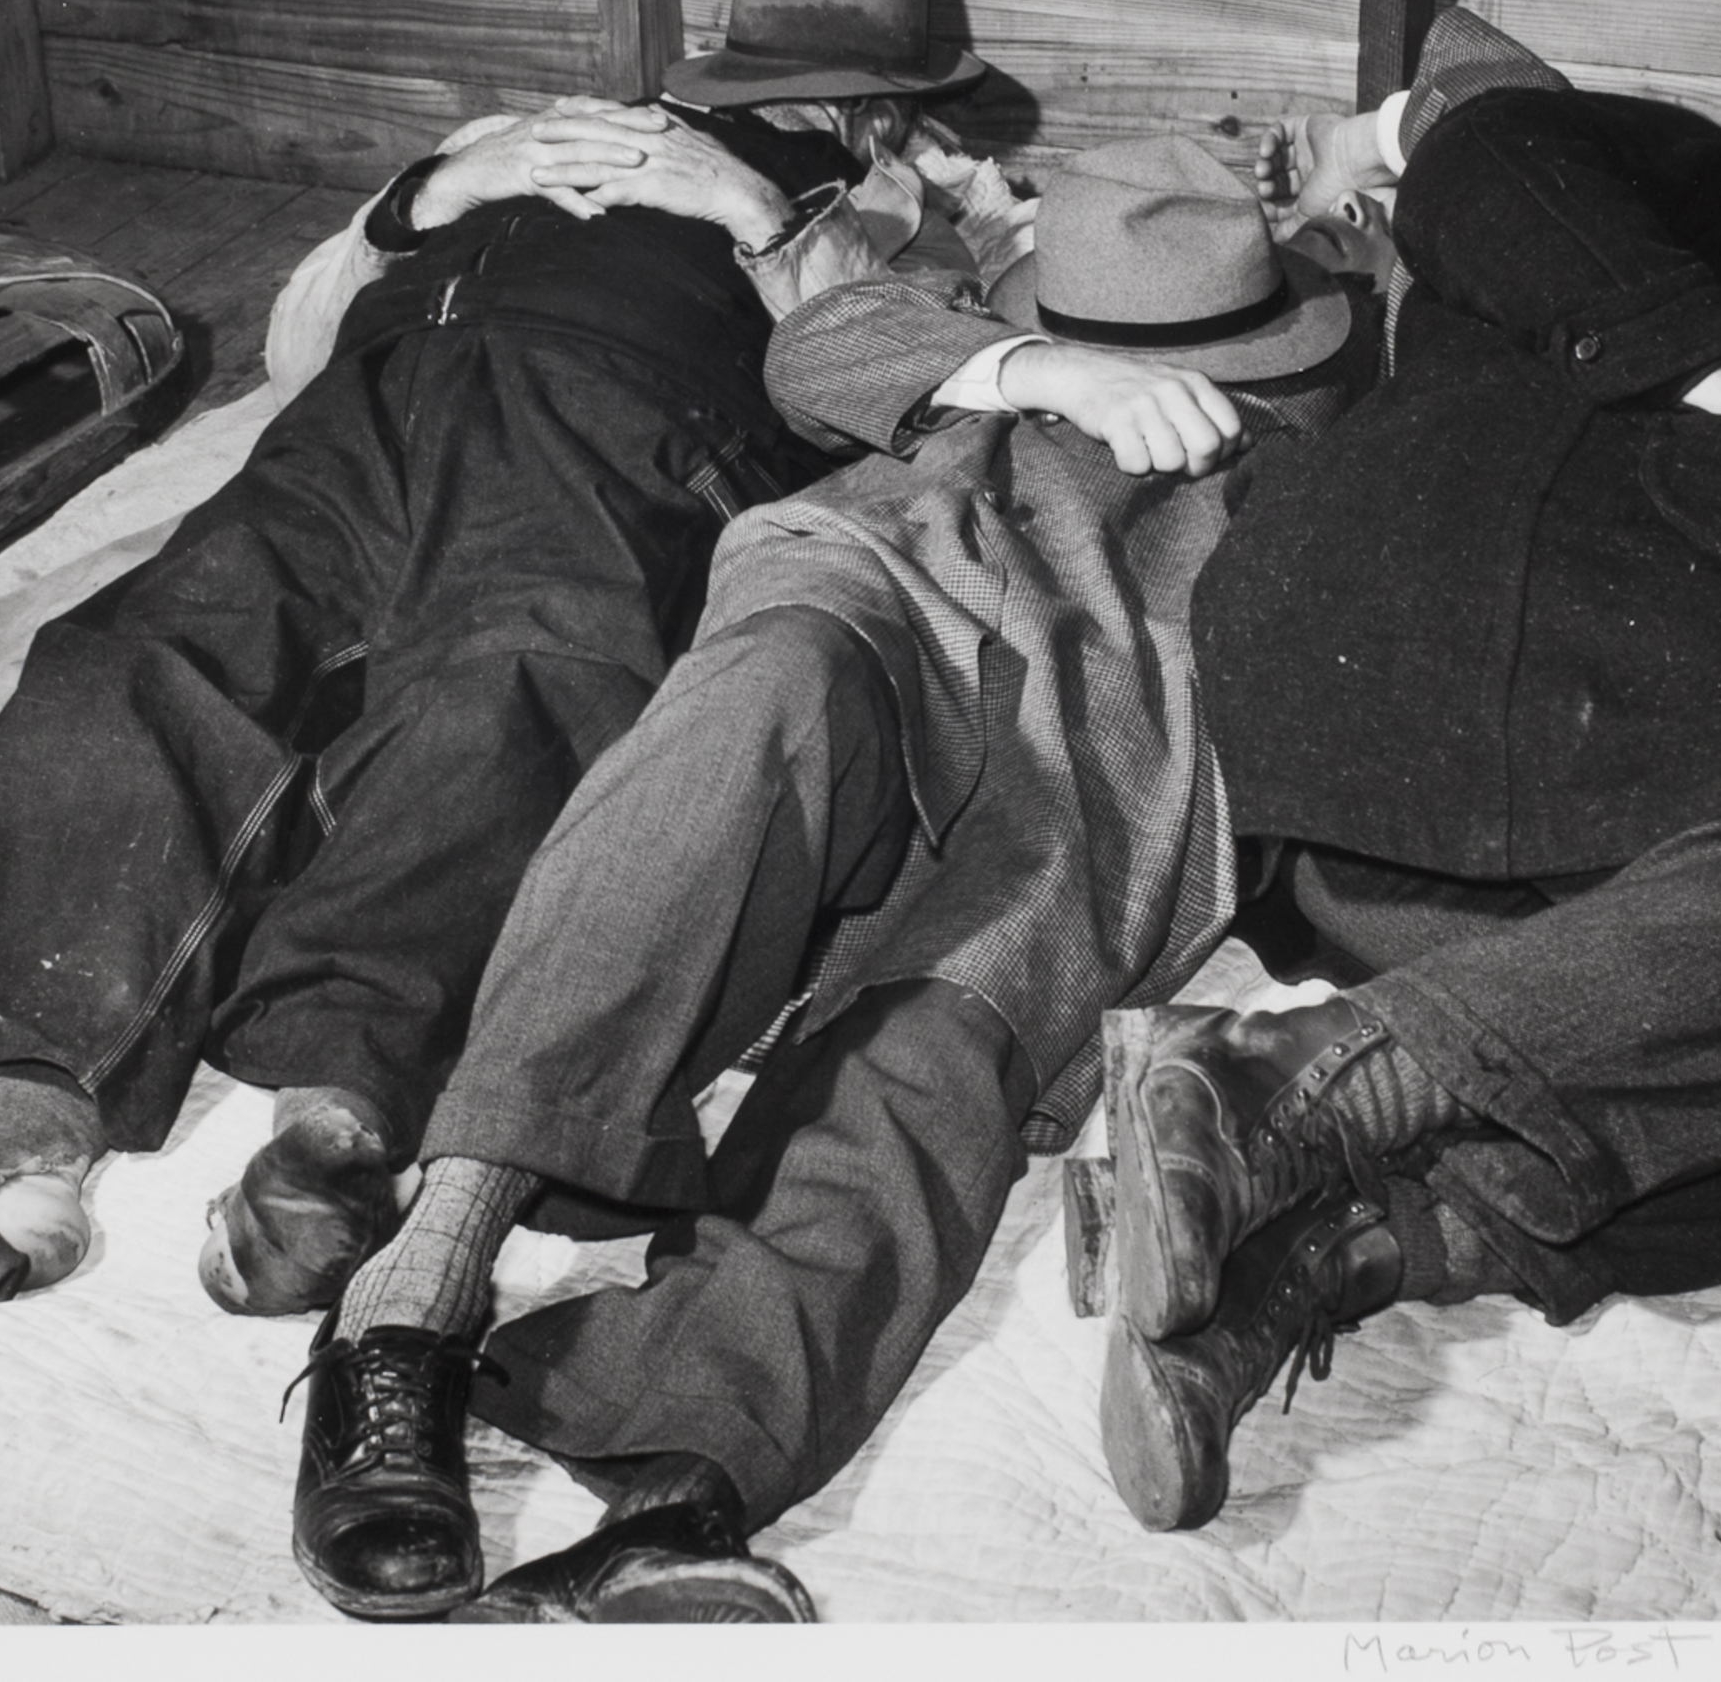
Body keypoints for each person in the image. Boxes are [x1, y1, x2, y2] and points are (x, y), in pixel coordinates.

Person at [0, 0, 1024, 1323]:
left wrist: (761, 210)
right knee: (144, 654)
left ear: (881, 113)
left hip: (620, 425)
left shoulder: (908, 209)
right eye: (754, 92)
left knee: (515, 690)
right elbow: (298, 341)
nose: (774, 117)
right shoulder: (530, 133)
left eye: (817, 101)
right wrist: (423, 198)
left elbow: (909, 392)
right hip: (362, 409)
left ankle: (335, 1133)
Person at [281, 135, 1377, 1621]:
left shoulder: (1348, 399)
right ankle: (414, 1299)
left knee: (947, 1040)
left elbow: (1503, 152)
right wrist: (1042, 371)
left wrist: (1380, 150)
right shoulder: (964, 323)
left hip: (1111, 734)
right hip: (883, 601)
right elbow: (819, 344)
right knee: (743, 724)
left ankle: (679, 1489)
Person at [1095, 9, 1721, 1533]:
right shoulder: (1694, 176)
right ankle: (1287, 1079)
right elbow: (1487, 144)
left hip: (1436, 817)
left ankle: (1312, 1251)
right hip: (1490, 626)